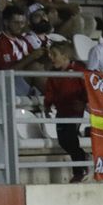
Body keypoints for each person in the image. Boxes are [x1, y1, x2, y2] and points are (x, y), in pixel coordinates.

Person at [40, 40, 90, 182]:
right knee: (63, 141)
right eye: (50, 54)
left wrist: (85, 102)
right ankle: (82, 161)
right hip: (61, 111)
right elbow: (50, 91)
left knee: (71, 140)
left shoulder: (79, 71)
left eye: (54, 54)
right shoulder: (53, 74)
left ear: (65, 56)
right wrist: (47, 105)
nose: (51, 57)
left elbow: (87, 87)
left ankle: (79, 171)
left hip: (74, 111)